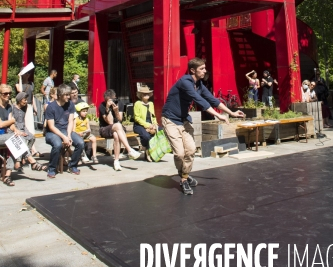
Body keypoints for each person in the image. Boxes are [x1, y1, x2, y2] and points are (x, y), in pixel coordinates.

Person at [161, 57, 245, 195]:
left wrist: (232, 113)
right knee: (180, 153)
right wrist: (218, 115)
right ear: (193, 70)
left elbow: (212, 100)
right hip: (170, 119)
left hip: (184, 120)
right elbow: (198, 99)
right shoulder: (185, 82)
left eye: (205, 68)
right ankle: (184, 177)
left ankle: (184, 177)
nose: (205, 71)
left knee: (191, 150)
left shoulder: (199, 85)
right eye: (202, 69)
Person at [45, 84, 84, 178]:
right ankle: (52, 168)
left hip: (66, 130)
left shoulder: (70, 104)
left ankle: (73, 165)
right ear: (59, 95)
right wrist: (64, 137)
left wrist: (69, 135)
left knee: (80, 143)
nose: (68, 97)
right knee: (57, 145)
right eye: (66, 95)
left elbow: (70, 121)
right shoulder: (51, 107)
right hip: (53, 132)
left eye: (68, 94)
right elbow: (51, 127)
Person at [99, 89, 141, 171]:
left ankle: (116, 161)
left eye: (113, 99)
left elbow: (120, 119)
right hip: (105, 129)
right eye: (109, 100)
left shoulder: (119, 103)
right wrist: (107, 109)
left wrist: (116, 111)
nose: (112, 102)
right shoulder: (102, 106)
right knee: (117, 126)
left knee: (116, 134)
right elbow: (110, 122)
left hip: (118, 129)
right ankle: (129, 150)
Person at [12, 92, 47, 173]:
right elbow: (13, 122)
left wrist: (26, 131)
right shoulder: (13, 108)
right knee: (22, 140)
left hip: (23, 127)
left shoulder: (25, 108)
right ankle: (20, 159)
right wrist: (19, 131)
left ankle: (25, 156)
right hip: (15, 129)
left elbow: (23, 121)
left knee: (32, 137)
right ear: (20, 100)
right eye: (24, 100)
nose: (26, 101)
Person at [15, 67, 40, 157]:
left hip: (29, 106)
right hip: (21, 107)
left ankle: (33, 149)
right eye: (26, 73)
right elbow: (20, 91)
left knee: (30, 127)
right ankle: (30, 150)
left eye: (28, 73)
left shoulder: (31, 84)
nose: (28, 75)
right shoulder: (18, 84)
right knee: (23, 127)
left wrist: (35, 107)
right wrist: (20, 78)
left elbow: (32, 96)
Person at [134, 86, 159, 161]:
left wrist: (155, 124)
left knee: (161, 131)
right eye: (144, 94)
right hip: (139, 125)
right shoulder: (137, 103)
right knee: (146, 136)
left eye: (148, 94)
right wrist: (147, 125)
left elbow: (153, 116)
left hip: (151, 124)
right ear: (141, 95)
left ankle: (155, 152)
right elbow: (137, 118)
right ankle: (147, 151)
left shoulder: (151, 103)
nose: (146, 95)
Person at [0, 84, 17, 186]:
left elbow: (11, 124)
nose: (8, 95)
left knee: (18, 140)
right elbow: (1, 124)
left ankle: (8, 174)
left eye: (9, 93)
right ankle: (30, 160)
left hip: (5, 135)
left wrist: (16, 130)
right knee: (15, 140)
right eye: (5, 93)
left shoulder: (9, 106)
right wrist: (13, 120)